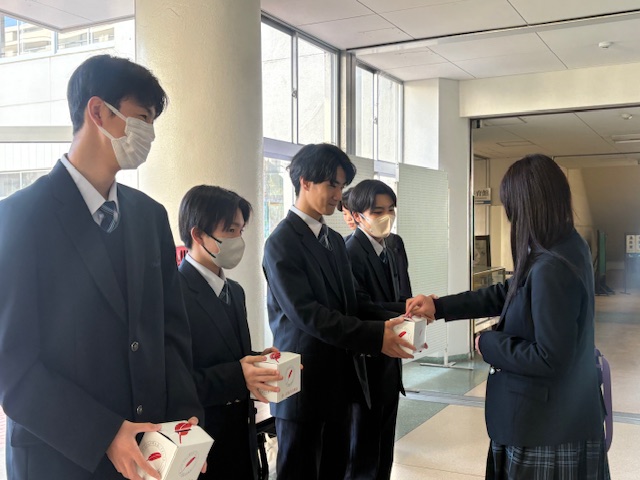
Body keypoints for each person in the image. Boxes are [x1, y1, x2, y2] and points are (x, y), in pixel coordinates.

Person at [0, 55, 203, 480]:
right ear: (98, 111)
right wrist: (105, 433)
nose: (149, 134)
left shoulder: (149, 216)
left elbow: (171, 333)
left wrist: (184, 425)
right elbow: (12, 368)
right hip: (60, 457)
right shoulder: (19, 218)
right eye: (142, 118)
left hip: (150, 452)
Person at [406, 154, 610, 480]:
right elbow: (507, 291)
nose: (510, 216)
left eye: (511, 207)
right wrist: (440, 307)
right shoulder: (564, 245)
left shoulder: (551, 266)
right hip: (557, 418)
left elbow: (550, 358)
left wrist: (488, 343)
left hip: (545, 427)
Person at [262, 143, 415, 480]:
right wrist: (376, 336)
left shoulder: (332, 239)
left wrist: (399, 317)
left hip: (340, 384)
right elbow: (308, 314)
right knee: (301, 472)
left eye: (341, 185)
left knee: (337, 469)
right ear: (305, 182)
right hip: (303, 385)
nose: (338, 195)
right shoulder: (281, 242)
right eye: (331, 184)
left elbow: (353, 303)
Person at [177, 185, 281, 480]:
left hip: (241, 434)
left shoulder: (234, 291)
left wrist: (259, 361)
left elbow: (234, 355)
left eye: (240, 230)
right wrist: (239, 375)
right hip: (203, 441)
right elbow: (173, 380)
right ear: (199, 235)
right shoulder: (172, 293)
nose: (238, 239)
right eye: (230, 230)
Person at [344, 179, 406, 480]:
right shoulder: (350, 252)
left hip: (389, 366)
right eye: (377, 211)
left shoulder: (390, 248)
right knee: (364, 455)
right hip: (365, 367)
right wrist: (407, 313)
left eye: (390, 209)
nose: (386, 216)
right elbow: (361, 306)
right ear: (357, 216)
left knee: (383, 450)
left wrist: (413, 309)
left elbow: (399, 294)